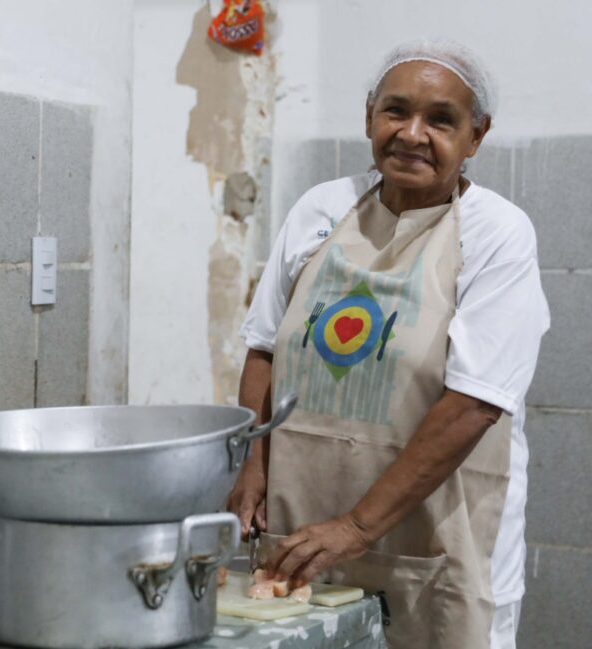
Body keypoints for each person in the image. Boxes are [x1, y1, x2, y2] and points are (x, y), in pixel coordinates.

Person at [229, 38, 549, 649]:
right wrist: (252, 462)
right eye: (395, 111)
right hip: (306, 532)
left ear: (476, 136)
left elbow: (473, 405)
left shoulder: (498, 234)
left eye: (441, 120)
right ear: (369, 115)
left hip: (435, 541)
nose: (412, 133)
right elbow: (265, 347)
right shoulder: (320, 208)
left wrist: (355, 526)